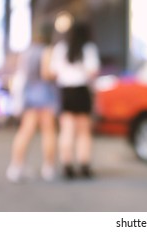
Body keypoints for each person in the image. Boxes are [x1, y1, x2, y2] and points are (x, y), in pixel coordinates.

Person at [6, 25, 58, 183]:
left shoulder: (26, 52)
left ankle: (16, 167)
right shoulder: (46, 50)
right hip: (44, 94)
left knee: (25, 130)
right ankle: (48, 168)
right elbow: (46, 73)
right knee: (48, 131)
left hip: (28, 93)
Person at [49, 21, 100, 179]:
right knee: (84, 131)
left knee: (67, 129)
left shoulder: (60, 48)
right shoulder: (89, 48)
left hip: (66, 91)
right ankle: (84, 165)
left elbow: (53, 72)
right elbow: (93, 72)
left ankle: (67, 165)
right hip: (82, 90)